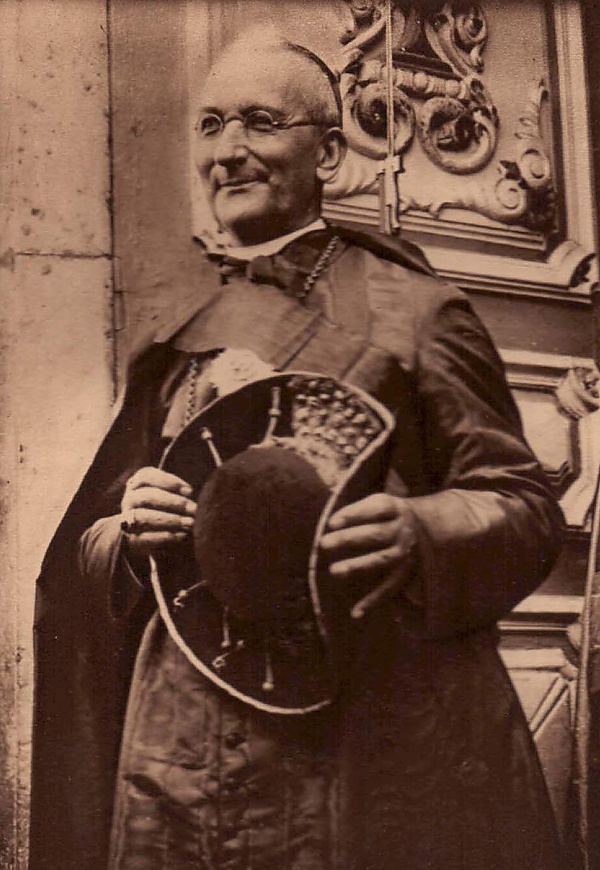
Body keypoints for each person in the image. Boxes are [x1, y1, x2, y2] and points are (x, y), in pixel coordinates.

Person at [30, 33, 566, 870]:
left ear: (330, 152)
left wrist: (420, 530)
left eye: (261, 122)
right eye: (211, 125)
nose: (227, 151)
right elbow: (91, 551)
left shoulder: (419, 312)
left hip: (362, 733)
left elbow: (524, 506)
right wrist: (129, 535)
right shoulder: (178, 333)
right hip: (183, 751)